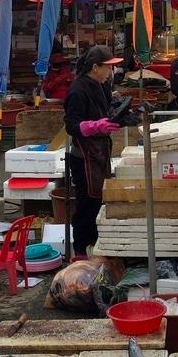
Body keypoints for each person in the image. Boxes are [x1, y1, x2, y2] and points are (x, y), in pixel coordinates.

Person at [63, 46, 124, 258]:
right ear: (95, 67)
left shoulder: (102, 85)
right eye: (107, 67)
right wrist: (95, 126)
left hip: (100, 153)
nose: (111, 71)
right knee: (86, 204)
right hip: (83, 157)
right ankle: (80, 251)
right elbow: (71, 125)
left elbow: (108, 109)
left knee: (99, 201)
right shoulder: (77, 90)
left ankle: (96, 246)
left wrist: (122, 114)